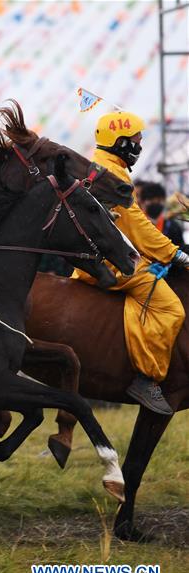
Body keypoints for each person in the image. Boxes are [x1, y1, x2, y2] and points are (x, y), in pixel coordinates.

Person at [72, 111, 187, 415]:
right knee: (171, 308)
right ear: (119, 142)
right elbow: (137, 226)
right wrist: (175, 254)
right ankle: (147, 379)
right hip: (111, 264)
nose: (139, 146)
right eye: (136, 141)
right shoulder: (112, 174)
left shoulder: (100, 166)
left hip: (91, 259)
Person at [138, 182, 184, 247]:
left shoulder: (173, 227)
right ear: (142, 202)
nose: (156, 203)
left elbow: (181, 248)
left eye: (160, 200)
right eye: (150, 200)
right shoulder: (138, 226)